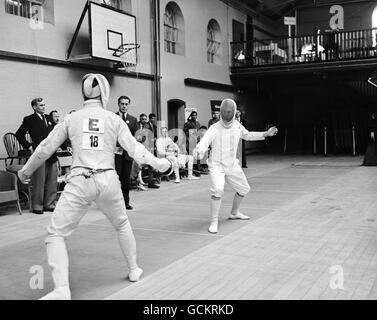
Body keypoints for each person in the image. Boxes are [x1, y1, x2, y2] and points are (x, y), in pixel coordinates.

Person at [17, 74, 172, 300]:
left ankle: (62, 289)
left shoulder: (71, 118)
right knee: (121, 224)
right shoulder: (114, 119)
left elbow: (45, 147)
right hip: (108, 180)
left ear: (83, 93)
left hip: (80, 180)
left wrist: (25, 171)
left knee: (55, 234)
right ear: (106, 93)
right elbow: (135, 149)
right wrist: (160, 163)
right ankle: (133, 269)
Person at [193, 99, 278, 234]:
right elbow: (204, 142)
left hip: (232, 165)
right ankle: (214, 221)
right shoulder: (214, 128)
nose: (227, 114)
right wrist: (198, 151)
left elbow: (248, 135)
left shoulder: (237, 126)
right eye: (225, 111)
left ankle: (234, 212)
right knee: (218, 190)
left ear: (233, 112)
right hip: (217, 166)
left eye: (229, 111)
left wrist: (265, 134)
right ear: (221, 112)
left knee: (244, 189)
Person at [16, 98, 58, 214]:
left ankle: (49, 204)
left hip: (51, 152)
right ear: (34, 107)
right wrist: (29, 146)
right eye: (40, 105)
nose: (43, 107)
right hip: (39, 152)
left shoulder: (49, 118)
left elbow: (56, 134)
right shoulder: (29, 119)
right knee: (39, 180)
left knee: (52, 179)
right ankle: (37, 206)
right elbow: (19, 134)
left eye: (44, 105)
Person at [115, 96, 138, 210]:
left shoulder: (133, 120)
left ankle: (125, 202)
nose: (124, 106)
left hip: (127, 154)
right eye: (122, 104)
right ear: (118, 104)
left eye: (126, 104)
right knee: (114, 180)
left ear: (129, 105)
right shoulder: (113, 117)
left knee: (126, 180)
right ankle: (114, 203)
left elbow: (135, 137)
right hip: (115, 155)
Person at [134, 114, 159, 189]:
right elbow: (136, 136)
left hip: (146, 148)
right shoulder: (137, 125)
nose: (144, 121)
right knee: (138, 164)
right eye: (142, 119)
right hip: (137, 148)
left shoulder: (147, 127)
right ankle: (139, 181)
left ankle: (151, 182)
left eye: (145, 119)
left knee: (151, 163)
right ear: (140, 119)